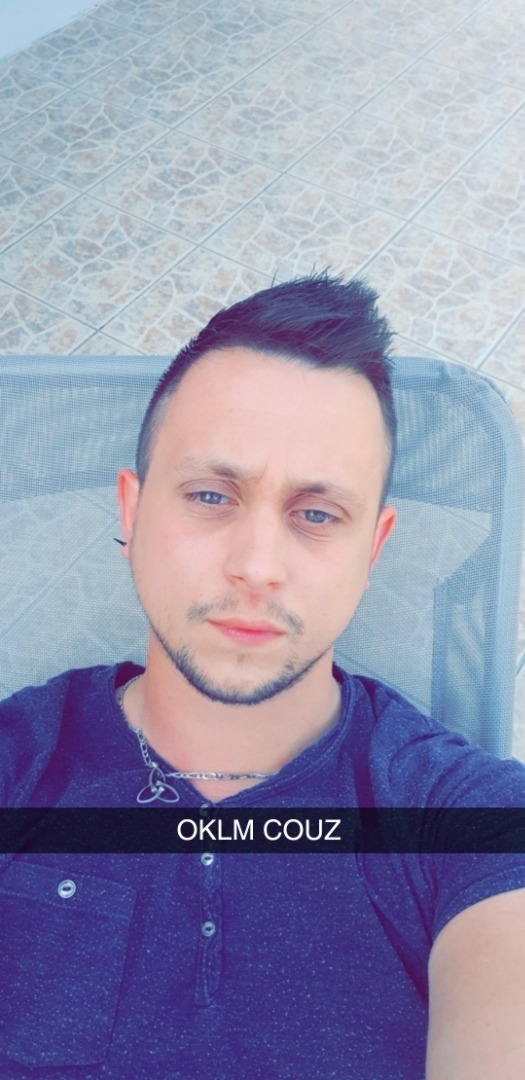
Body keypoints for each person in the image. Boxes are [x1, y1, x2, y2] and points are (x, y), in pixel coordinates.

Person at [1, 273, 525, 1080]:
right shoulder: (18, 764)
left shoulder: (466, 821)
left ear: (372, 548)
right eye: (211, 495)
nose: (256, 565)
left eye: (316, 514)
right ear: (131, 512)